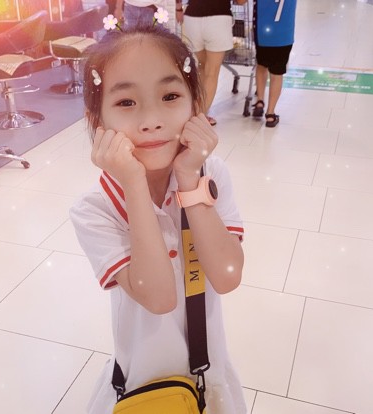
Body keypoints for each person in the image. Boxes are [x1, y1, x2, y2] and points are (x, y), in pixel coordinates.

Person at [70, 22, 246, 414]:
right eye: (126, 102)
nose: (151, 119)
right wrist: (133, 184)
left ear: (195, 107)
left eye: (169, 96)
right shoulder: (95, 208)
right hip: (142, 385)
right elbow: (159, 297)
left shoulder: (211, 175)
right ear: (98, 121)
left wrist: (190, 181)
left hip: (210, 375)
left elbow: (228, 275)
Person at [237, 0, 297, 127]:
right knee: (277, 73)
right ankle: (270, 114)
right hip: (284, 33)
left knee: (261, 65)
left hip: (263, 32)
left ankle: (260, 101)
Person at [182, 0, 235, 126]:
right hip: (218, 18)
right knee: (212, 72)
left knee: (201, 66)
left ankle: (195, 110)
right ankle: (200, 116)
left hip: (191, 18)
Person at [114, 0, 182, 31]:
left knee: (154, 45)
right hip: (129, 7)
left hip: (152, 9)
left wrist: (179, 8)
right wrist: (118, 7)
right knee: (130, 45)